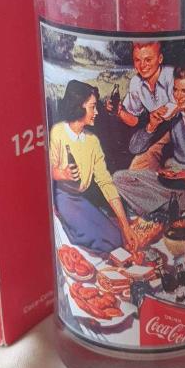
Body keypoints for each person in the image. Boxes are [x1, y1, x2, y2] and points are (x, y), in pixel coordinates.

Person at [114, 61, 185, 214]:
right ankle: (170, 208)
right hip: (173, 177)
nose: (178, 96)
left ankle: (166, 208)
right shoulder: (171, 113)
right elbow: (135, 148)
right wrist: (152, 125)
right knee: (119, 178)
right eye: (175, 90)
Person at [50, 80, 137, 253]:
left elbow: (106, 183)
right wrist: (63, 174)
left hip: (80, 198)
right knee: (97, 241)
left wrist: (125, 226)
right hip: (61, 197)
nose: (96, 112)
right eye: (93, 107)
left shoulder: (92, 141)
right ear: (79, 107)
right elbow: (48, 171)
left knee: (116, 239)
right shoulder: (58, 132)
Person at [105, 41, 177, 170]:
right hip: (158, 130)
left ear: (160, 59)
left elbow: (178, 104)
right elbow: (134, 120)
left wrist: (159, 114)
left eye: (148, 60)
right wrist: (119, 112)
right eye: (137, 60)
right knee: (135, 154)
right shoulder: (136, 82)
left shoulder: (171, 74)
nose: (142, 65)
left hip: (180, 127)